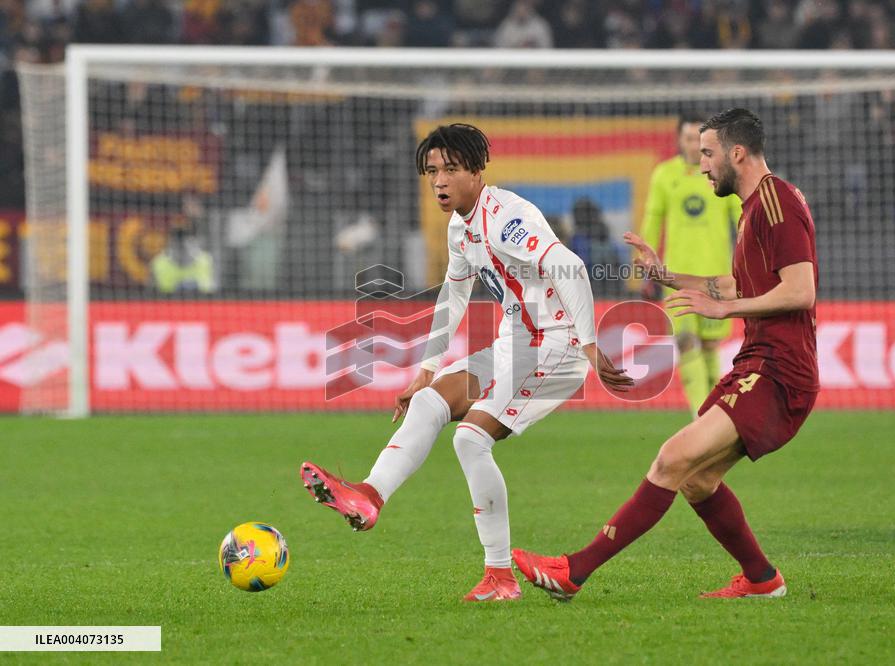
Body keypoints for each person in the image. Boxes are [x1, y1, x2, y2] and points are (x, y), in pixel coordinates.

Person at [301, 123, 633, 602]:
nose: (439, 180)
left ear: (477, 172)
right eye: (432, 170)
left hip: (555, 345)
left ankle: (500, 577)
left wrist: (588, 345)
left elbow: (571, 268)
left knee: (471, 440)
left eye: (451, 169)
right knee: (429, 402)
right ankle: (369, 496)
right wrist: (426, 370)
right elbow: (453, 297)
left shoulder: (506, 218)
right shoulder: (461, 227)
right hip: (515, 342)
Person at [513, 108, 819, 600]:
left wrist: (727, 311)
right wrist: (668, 277)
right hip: (759, 362)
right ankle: (762, 579)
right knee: (697, 479)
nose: (700, 166)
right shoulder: (755, 207)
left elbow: (801, 290)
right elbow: (738, 282)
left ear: (736, 153)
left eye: (707, 153)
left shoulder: (776, 204)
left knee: (672, 458)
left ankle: (574, 571)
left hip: (779, 370)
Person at [641, 112, 742, 417]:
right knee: (685, 341)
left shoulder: (722, 175)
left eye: (698, 141)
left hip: (716, 277)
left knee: (711, 346)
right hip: (676, 276)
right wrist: (647, 263)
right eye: (687, 139)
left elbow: (742, 219)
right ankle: (700, 414)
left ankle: (716, 412)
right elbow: (653, 219)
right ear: (678, 139)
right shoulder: (664, 174)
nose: (692, 146)